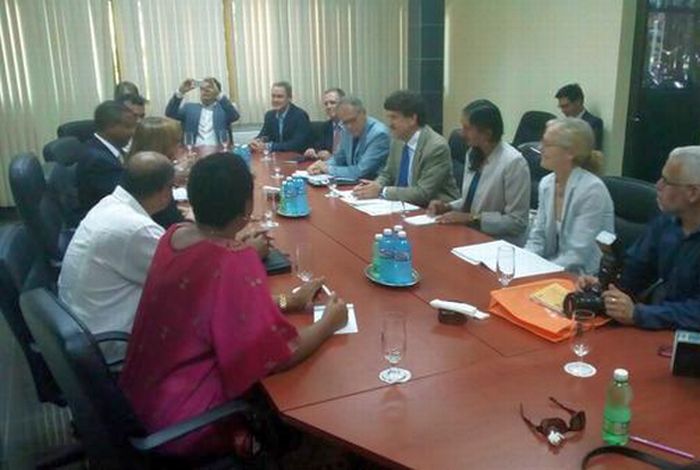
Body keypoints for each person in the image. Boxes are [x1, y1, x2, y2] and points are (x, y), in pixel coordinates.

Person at [119, 152, 348, 457]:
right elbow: (278, 356)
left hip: (137, 400)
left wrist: (287, 301)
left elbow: (209, 308)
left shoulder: (173, 235)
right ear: (247, 206)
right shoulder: (232, 260)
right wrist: (329, 322)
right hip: (186, 421)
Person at [578, 146, 700, 331]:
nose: (657, 185)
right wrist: (604, 285)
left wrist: (639, 314)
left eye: (666, 181)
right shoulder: (667, 222)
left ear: (693, 193)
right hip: (661, 327)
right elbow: (636, 269)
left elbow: (696, 312)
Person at [59, 151, 174, 337]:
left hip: (82, 323)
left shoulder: (110, 203)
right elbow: (184, 279)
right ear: (165, 191)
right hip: (111, 339)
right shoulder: (138, 229)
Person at [427, 100, 530, 245]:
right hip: (469, 235)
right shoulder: (473, 153)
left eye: (467, 128)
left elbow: (516, 222)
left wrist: (471, 218)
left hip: (497, 243)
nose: (461, 133)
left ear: (487, 133)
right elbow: (474, 201)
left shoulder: (513, 162)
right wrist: (447, 206)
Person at [525, 117, 614, 274]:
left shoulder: (592, 190)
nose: (540, 148)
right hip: (551, 269)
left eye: (547, 144)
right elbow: (537, 237)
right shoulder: (547, 183)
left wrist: (538, 272)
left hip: (582, 278)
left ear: (570, 153)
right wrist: (523, 262)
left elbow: (577, 255)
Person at [352, 90, 459, 206]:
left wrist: (382, 191)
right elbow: (387, 174)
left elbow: (423, 192)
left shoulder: (436, 147)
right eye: (389, 117)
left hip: (434, 210)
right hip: (403, 205)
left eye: (394, 117)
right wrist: (375, 186)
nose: (389, 123)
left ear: (412, 119)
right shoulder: (398, 139)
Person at [76, 101, 137, 217]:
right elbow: (124, 197)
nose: (133, 132)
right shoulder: (97, 160)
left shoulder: (110, 149)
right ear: (110, 127)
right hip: (105, 217)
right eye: (128, 127)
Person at [307, 96, 390, 180]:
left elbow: (361, 171)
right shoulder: (345, 129)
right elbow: (338, 158)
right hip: (351, 184)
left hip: (369, 186)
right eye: (345, 122)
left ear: (364, 113)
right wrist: (321, 165)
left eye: (353, 120)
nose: (349, 126)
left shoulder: (379, 134)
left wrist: (327, 169)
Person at [165, 77, 240, 147]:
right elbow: (170, 113)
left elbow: (234, 116)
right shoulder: (189, 108)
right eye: (202, 89)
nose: (205, 91)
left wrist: (218, 95)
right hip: (193, 152)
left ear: (217, 91)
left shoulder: (224, 109)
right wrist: (180, 92)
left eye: (210, 88)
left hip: (219, 151)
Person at [250, 81, 312, 153]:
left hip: (296, 158)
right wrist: (256, 142)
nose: (275, 100)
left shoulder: (300, 115)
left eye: (280, 96)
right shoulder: (269, 115)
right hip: (276, 158)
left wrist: (269, 146)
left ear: (289, 98)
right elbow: (264, 135)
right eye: (273, 96)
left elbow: (296, 144)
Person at [555, 83, 603, 150]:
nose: (563, 111)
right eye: (561, 107)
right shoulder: (562, 124)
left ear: (578, 102)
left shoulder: (593, 123)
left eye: (565, 106)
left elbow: (590, 152)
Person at [304, 87, 345, 160]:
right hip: (326, 168)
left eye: (332, 103)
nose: (328, 107)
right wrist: (313, 151)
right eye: (326, 104)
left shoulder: (352, 126)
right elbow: (318, 147)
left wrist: (332, 157)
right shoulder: (324, 127)